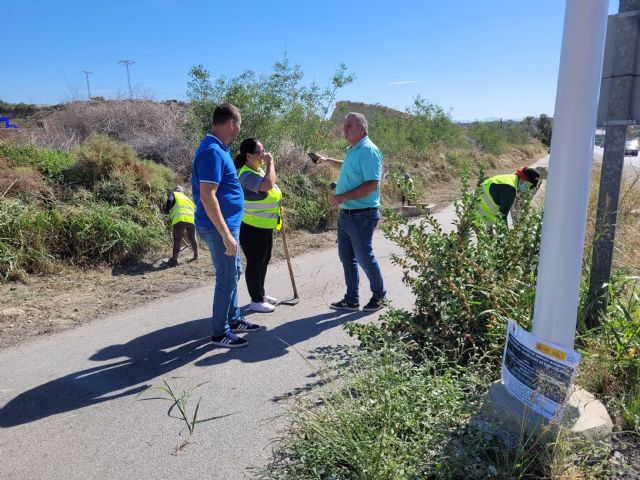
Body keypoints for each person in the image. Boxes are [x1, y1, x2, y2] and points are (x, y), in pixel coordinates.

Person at [191, 103, 262, 348]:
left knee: (234, 273)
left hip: (228, 226)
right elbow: (207, 196)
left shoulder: (219, 149)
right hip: (218, 228)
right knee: (226, 278)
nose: (239, 129)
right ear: (231, 123)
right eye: (239, 124)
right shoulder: (211, 151)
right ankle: (220, 333)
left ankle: (233, 320)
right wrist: (225, 234)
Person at [315, 112, 386, 312]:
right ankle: (351, 298)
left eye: (349, 126)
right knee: (347, 258)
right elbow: (348, 168)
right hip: (347, 215)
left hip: (362, 215)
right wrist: (328, 160)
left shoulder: (369, 151)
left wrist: (342, 197)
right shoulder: (354, 149)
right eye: (344, 126)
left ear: (362, 129)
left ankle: (379, 296)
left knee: (364, 257)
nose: (344, 129)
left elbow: (372, 184)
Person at [235, 138, 282, 313]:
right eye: (259, 152)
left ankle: (261, 294)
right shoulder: (246, 175)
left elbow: (271, 192)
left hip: (265, 227)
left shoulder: (258, 170)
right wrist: (271, 163)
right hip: (251, 228)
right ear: (248, 156)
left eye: (263, 151)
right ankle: (256, 300)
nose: (263, 154)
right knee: (255, 263)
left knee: (264, 261)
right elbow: (268, 185)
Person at [165, 185, 198, 267]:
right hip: (192, 220)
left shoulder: (174, 194)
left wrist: (166, 213)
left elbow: (169, 201)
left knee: (177, 239)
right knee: (192, 237)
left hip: (180, 219)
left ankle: (174, 260)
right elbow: (195, 209)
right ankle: (196, 256)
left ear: (175, 190)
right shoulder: (188, 198)